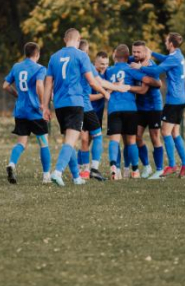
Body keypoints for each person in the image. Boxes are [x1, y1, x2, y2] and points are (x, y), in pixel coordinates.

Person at [42, 29, 111, 187]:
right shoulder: (82, 56)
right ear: (79, 40)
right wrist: (104, 93)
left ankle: (76, 177)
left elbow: (48, 85)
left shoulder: (54, 57)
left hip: (59, 105)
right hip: (75, 103)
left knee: (69, 141)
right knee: (71, 142)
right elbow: (93, 82)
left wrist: (45, 107)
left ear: (64, 39)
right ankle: (57, 172)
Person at [130, 33, 185, 178]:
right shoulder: (178, 55)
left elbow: (156, 70)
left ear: (170, 44)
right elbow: (165, 59)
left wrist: (139, 67)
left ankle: (171, 165)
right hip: (181, 98)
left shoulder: (174, 58)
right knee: (175, 133)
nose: (165, 43)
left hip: (174, 100)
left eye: (166, 41)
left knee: (165, 132)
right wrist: (153, 53)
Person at [2, 42, 51, 184]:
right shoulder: (40, 68)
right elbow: (39, 85)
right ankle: (46, 175)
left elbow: (5, 85)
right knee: (43, 142)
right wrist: (43, 104)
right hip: (35, 112)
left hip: (21, 111)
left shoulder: (16, 67)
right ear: (37, 54)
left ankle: (12, 164)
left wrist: (17, 95)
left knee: (21, 143)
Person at [106, 44, 149, 180]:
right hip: (130, 108)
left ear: (115, 56)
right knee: (131, 141)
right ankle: (135, 170)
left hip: (114, 108)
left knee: (114, 140)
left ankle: (114, 166)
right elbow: (144, 81)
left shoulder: (109, 70)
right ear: (127, 57)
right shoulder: (131, 69)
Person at [132, 41, 165, 180]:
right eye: (134, 51)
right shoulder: (132, 61)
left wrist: (141, 69)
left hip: (154, 107)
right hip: (140, 107)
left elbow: (157, 83)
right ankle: (146, 166)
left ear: (146, 52)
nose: (135, 54)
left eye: (138, 52)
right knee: (137, 136)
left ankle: (159, 169)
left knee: (154, 137)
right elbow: (121, 57)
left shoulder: (151, 66)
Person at [77, 40, 106, 181]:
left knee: (79, 139)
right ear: (87, 51)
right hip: (85, 107)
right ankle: (91, 168)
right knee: (95, 136)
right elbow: (97, 83)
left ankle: (83, 169)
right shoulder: (85, 62)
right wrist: (105, 93)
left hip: (72, 105)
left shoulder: (71, 62)